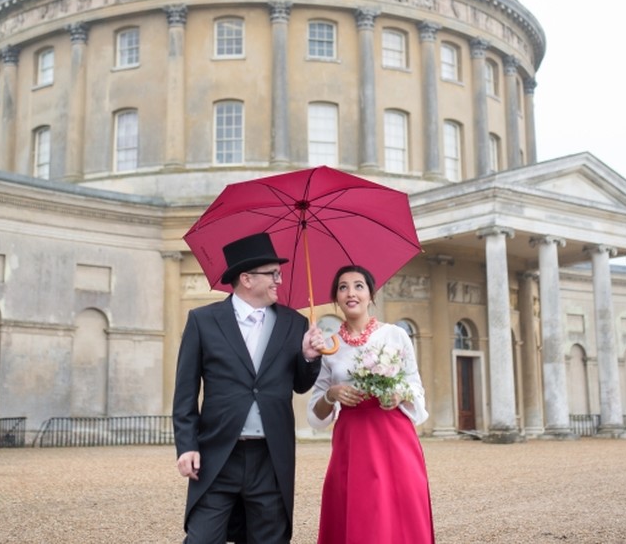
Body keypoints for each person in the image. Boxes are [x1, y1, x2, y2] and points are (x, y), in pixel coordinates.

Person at [174, 232, 326, 544]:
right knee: (201, 539)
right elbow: (185, 392)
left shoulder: (293, 323)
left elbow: (300, 385)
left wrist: (310, 358)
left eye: (278, 274)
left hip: (270, 457)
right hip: (217, 455)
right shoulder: (203, 321)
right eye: (272, 274)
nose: (278, 281)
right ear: (246, 278)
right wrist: (186, 445)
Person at [306, 264, 434, 544]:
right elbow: (316, 414)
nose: (351, 292)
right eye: (343, 287)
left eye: (358, 286)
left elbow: (416, 389)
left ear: (371, 294)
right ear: (336, 298)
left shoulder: (395, 335)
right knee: (359, 514)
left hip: (394, 434)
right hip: (352, 440)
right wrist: (332, 394)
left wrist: (399, 393)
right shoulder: (328, 347)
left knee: (399, 513)